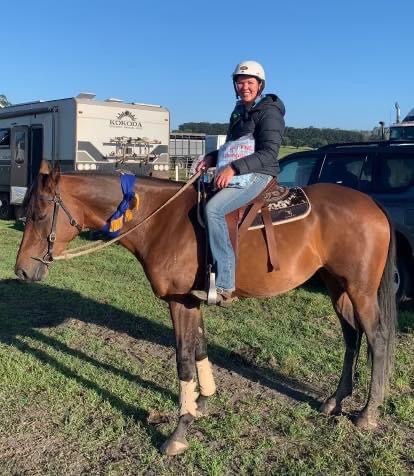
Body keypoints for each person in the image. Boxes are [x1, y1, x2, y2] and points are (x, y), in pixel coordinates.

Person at [191, 60, 285, 306]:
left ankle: (225, 284)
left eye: (250, 82)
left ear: (260, 85)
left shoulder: (269, 112)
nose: (245, 87)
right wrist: (213, 158)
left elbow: (269, 153)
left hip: (259, 174)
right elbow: (232, 147)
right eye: (240, 82)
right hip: (239, 172)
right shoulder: (238, 111)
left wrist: (233, 168)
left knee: (214, 209)